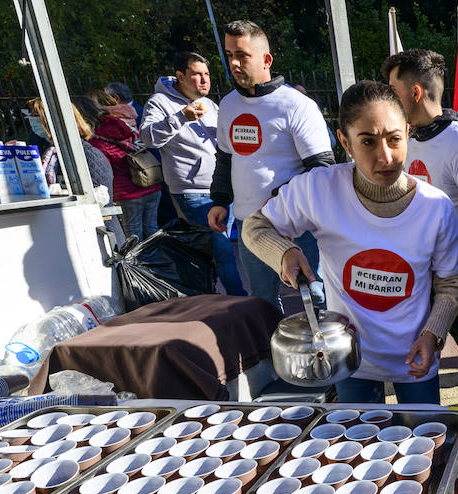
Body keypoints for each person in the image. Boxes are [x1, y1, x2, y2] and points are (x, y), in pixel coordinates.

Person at [242, 81, 458, 404]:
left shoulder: (436, 207)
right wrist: (285, 252)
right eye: (368, 141)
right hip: (349, 358)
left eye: (394, 139)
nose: (385, 156)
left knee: (424, 433)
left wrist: (433, 334)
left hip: (415, 357)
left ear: (407, 132)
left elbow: (451, 282)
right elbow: (255, 226)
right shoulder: (319, 189)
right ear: (345, 142)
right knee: (357, 435)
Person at [383, 49, 458, 405]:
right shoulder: (403, 138)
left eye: (393, 90)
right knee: (420, 338)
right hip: (416, 268)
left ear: (415, 92)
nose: (389, 98)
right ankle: (425, 410)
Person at [209, 20, 336, 313]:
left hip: (297, 224)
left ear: (266, 59)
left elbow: (321, 168)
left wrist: (281, 197)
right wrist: (220, 201)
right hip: (248, 224)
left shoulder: (296, 105)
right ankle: (272, 345)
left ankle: (325, 344)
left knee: (317, 296)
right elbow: (225, 158)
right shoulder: (227, 105)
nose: (234, 63)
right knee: (262, 302)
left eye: (242, 55)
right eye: (229, 55)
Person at [139, 51, 245, 296]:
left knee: (212, 251)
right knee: (222, 250)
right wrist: (181, 118)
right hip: (193, 191)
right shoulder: (159, 102)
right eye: (197, 74)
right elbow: (147, 138)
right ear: (180, 76)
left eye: (206, 74)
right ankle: (240, 300)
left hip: (222, 188)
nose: (204, 79)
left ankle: (206, 298)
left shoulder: (209, 103)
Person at [88, 90, 161, 240]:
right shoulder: (127, 121)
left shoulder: (97, 135)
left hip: (128, 191)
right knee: (152, 228)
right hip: (151, 181)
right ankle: (160, 254)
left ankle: (142, 257)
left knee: (133, 233)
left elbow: (105, 169)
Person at [26, 97, 112, 199]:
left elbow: (96, 197)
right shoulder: (52, 152)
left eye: (35, 117)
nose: (31, 120)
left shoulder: (87, 154)